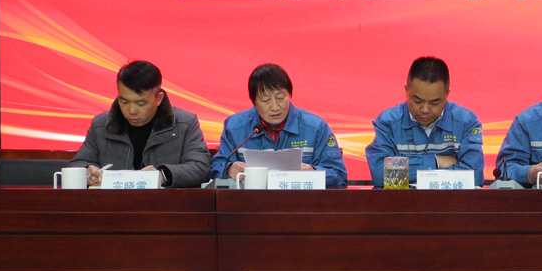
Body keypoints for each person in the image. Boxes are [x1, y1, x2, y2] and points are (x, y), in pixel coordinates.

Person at [70, 60, 211, 188]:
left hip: (164, 205)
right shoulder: (101, 125)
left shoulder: (184, 123)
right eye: (124, 102)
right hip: (113, 205)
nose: (132, 111)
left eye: (141, 103)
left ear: (158, 98)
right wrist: (87, 171)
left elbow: (201, 168)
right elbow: (77, 164)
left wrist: (163, 175)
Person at [210, 64, 347, 187]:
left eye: (280, 98)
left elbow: (339, 176)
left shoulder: (316, 127)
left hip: (302, 203)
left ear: (290, 95)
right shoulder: (234, 127)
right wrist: (229, 169)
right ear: (254, 102)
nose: (275, 107)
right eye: (266, 100)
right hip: (250, 203)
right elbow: (216, 169)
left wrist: (314, 172)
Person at [366, 56, 484, 187]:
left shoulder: (466, 122)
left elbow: (474, 176)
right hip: (401, 201)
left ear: (447, 94)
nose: (425, 110)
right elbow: (380, 173)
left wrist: (408, 170)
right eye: (418, 101)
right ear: (406, 90)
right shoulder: (388, 122)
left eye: (434, 103)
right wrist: (436, 162)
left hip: (451, 201)